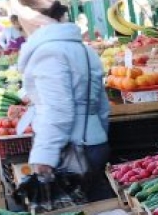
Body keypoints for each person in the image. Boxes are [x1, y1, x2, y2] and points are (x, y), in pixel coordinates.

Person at [14, 0, 112, 201]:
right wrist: (97, 135)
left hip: (69, 148)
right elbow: (102, 105)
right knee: (99, 208)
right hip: (94, 141)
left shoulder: (48, 53)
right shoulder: (85, 50)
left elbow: (57, 109)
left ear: (29, 18)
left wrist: (45, 155)